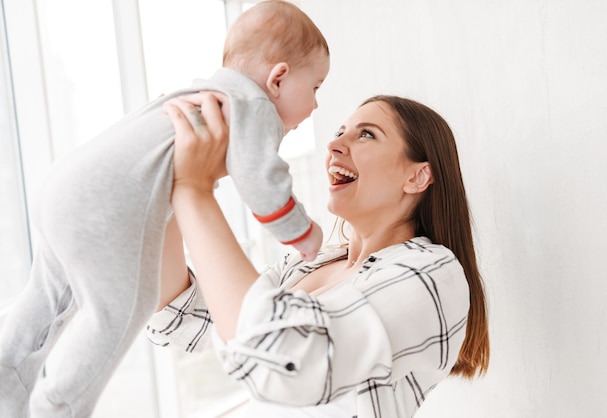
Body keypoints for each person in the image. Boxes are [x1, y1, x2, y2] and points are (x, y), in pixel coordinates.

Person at [0, 1, 329, 416]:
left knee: (47, 302)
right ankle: (58, 406)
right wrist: (304, 234)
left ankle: (5, 380)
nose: (316, 105)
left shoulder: (195, 92)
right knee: (116, 315)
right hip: (102, 209)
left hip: (64, 187)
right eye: (315, 87)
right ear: (278, 78)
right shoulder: (253, 106)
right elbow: (262, 180)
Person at [148, 92, 490, 417]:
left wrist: (193, 189)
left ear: (417, 176)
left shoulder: (431, 273)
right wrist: (170, 183)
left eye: (366, 135)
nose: (334, 144)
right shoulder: (306, 264)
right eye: (339, 132)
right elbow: (188, 317)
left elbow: (279, 357)